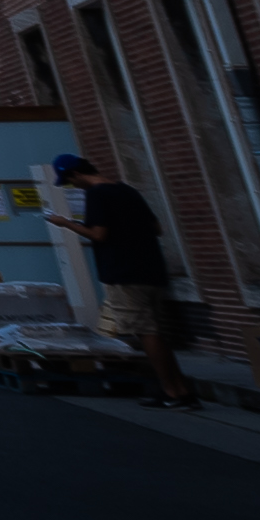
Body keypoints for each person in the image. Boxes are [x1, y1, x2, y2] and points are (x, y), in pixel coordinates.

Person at [54, 153, 200, 407]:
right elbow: (156, 228)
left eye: (70, 181)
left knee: (146, 332)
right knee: (158, 331)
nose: (73, 186)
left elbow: (98, 234)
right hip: (152, 269)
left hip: (123, 271)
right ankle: (182, 389)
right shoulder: (127, 190)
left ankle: (171, 392)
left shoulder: (97, 195)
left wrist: (66, 224)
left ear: (75, 174)